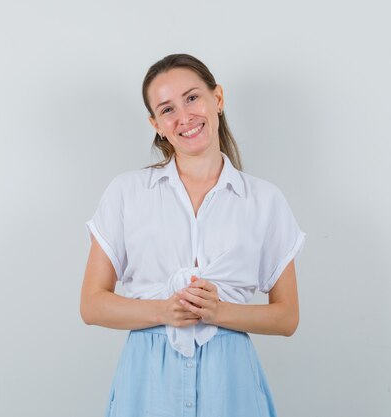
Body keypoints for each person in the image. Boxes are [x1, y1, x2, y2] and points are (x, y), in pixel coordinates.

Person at [80, 53, 307, 417]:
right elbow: (92, 305)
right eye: (167, 109)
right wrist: (164, 310)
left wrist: (219, 311)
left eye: (192, 97)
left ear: (217, 99)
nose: (184, 117)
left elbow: (287, 317)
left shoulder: (265, 201)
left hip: (230, 384)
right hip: (147, 381)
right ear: (156, 123)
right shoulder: (127, 193)